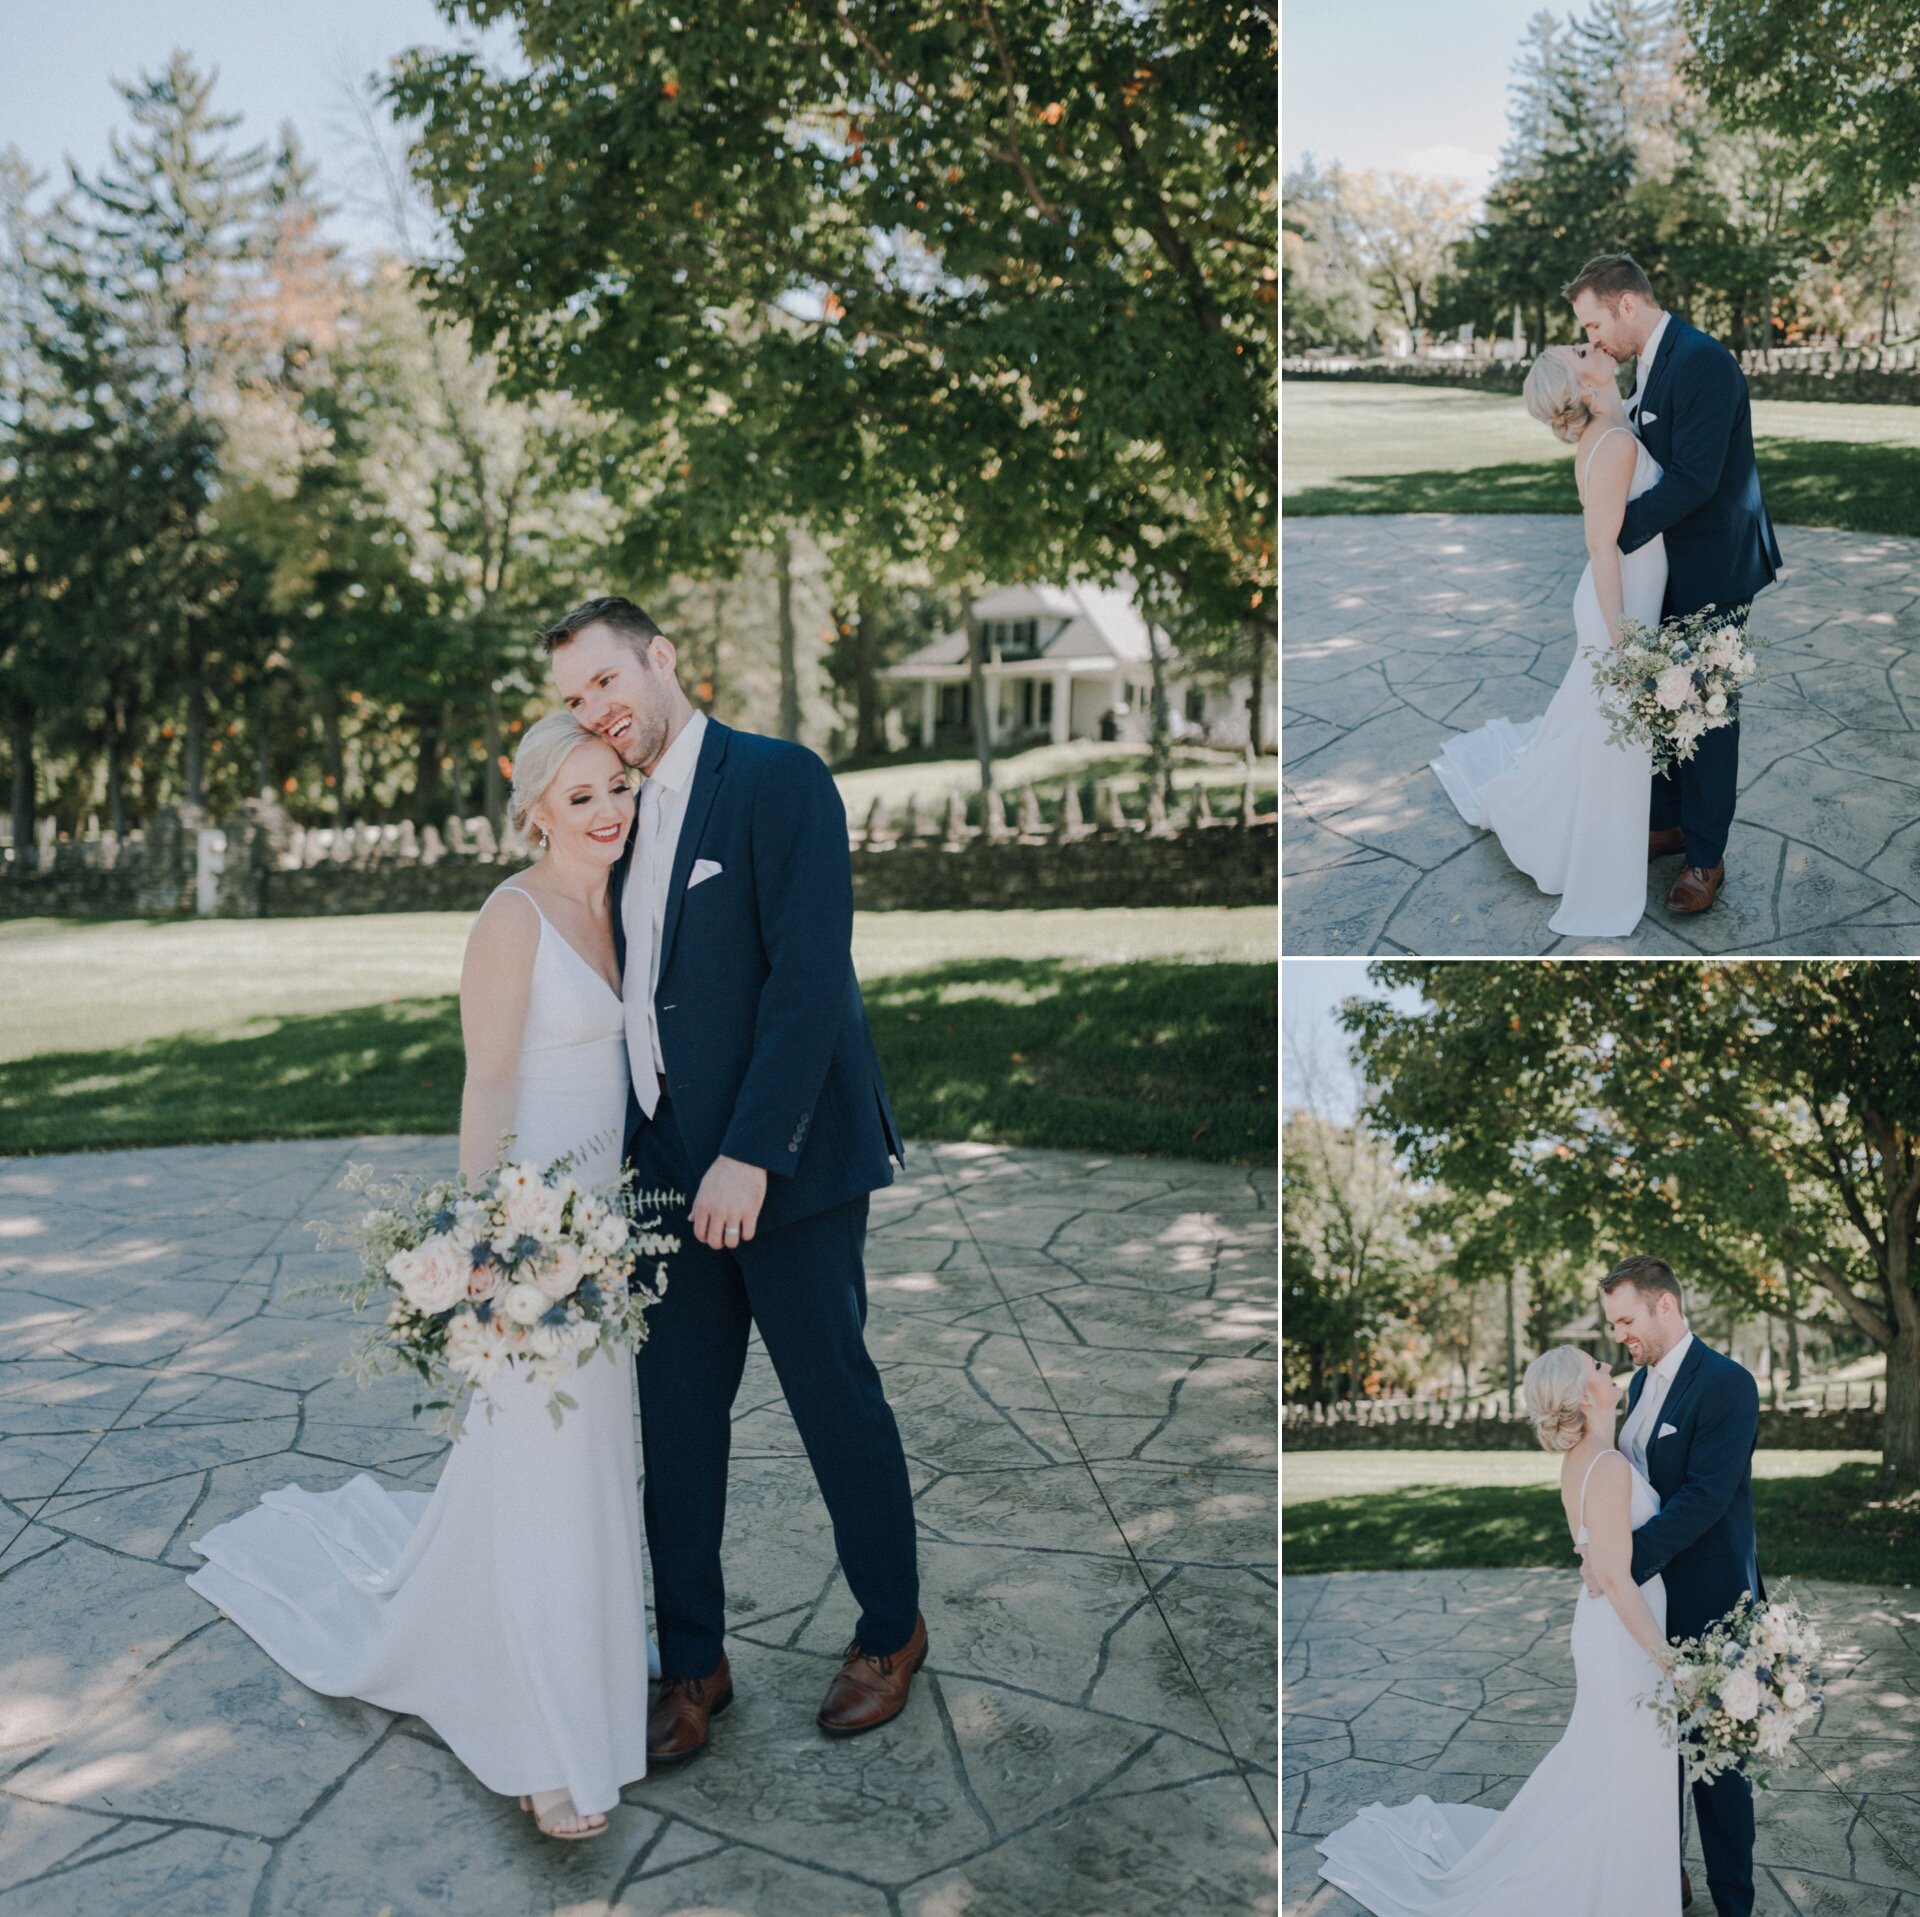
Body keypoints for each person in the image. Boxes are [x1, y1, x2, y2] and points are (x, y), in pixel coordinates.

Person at [188, 714, 656, 1840]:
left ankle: (579, 1655)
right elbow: (487, 1088)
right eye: (580, 796)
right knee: (539, 1465)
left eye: (618, 789)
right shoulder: (512, 918)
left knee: (589, 1460)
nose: (606, 813)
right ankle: (540, 1742)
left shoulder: (627, 905)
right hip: (534, 1241)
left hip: (611, 1235)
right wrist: (488, 1246)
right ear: (535, 808)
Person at [543, 595, 925, 1768]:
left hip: (789, 1166)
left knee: (833, 1401)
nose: (596, 715)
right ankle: (694, 1660)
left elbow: (812, 982)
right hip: (663, 1174)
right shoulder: (616, 818)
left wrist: (752, 1152)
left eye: (607, 682)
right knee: (677, 1424)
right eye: (573, 703)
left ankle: (890, 1629)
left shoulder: (779, 779)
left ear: (662, 660)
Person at [1315, 1341, 1679, 1913]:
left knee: (1616, 1763)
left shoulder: (1587, 1459)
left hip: (1609, 1628)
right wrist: (1668, 1659)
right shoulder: (1605, 1465)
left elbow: (1595, 1557)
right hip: (1624, 1636)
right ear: (1586, 1397)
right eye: (1597, 1368)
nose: (1609, 1369)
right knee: (1630, 1764)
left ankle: (1626, 1885)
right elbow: (1612, 1574)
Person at [1430, 332, 1665, 938]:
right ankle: (1575, 844)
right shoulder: (1610, 443)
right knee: (1610, 734)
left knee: (1589, 730)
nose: (1593, 346)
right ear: (1582, 384)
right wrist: (1624, 643)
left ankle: (1554, 821)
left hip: (1621, 600)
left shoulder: (1613, 425)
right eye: (1582, 354)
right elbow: (1599, 544)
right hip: (1620, 609)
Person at [1570, 254, 1783, 917]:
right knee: (1666, 702)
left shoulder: (1702, 362)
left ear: (1627, 304)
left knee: (1708, 713)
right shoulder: (1653, 361)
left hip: (1715, 567)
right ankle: (1669, 821)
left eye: (1594, 323)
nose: (1593, 340)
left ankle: (1705, 855)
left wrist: (1613, 534)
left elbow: (1694, 478)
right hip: (1671, 564)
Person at [1592, 1254, 1764, 1917]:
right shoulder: (1637, 1385)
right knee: (1653, 1763)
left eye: (1627, 1319)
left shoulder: (1726, 1384)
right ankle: (1665, 1880)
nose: (1621, 1334)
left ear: (1667, 1305)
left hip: (1711, 1606)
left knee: (1718, 1772)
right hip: (1648, 1612)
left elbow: (1702, 1500)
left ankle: (1734, 1903)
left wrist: (1621, 1561)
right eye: (1614, 1322)